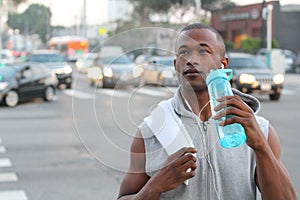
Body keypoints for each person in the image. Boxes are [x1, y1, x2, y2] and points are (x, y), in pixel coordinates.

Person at [117, 23, 296, 200]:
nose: (192, 60)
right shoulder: (151, 130)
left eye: (204, 51)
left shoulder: (259, 129)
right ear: (175, 65)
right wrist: (154, 187)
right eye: (184, 52)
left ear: (222, 64)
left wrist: (261, 146)